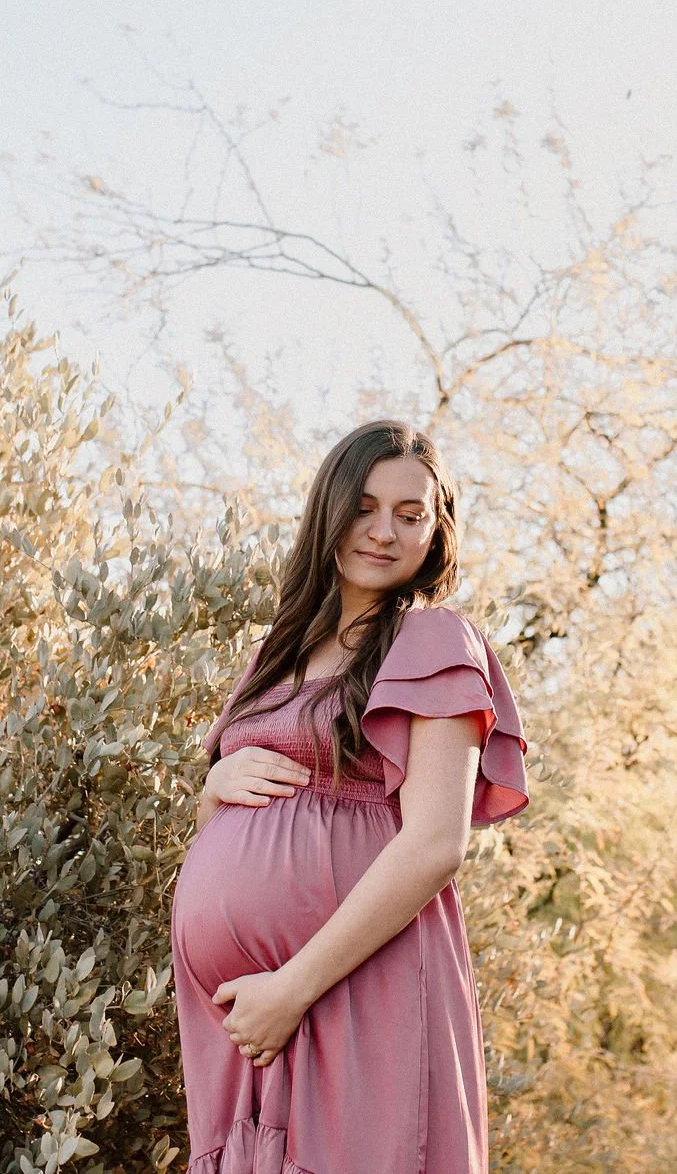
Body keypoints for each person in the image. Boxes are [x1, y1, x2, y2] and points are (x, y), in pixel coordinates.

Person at [170, 419, 532, 1173]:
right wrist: (214, 787)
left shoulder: (432, 640)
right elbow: (227, 826)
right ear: (329, 510)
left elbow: (437, 841)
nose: (384, 530)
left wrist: (292, 989)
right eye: (365, 506)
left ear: (437, 533)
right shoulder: (276, 653)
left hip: (354, 988)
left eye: (411, 514)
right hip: (245, 1023)